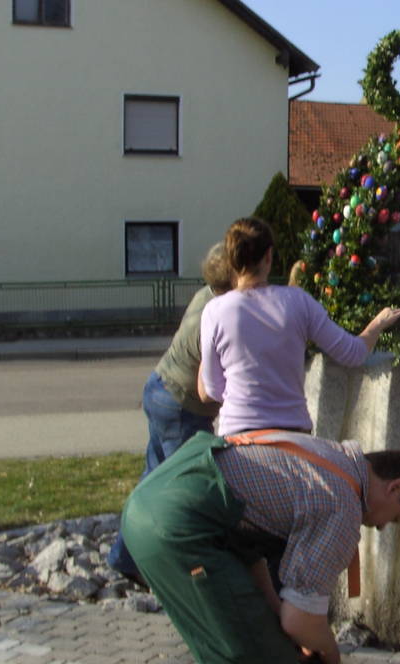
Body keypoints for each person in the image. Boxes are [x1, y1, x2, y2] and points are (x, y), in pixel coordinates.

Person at [121, 428, 400, 664]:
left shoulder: (327, 455)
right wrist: (330, 652)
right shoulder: (344, 508)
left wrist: (278, 614)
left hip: (150, 502)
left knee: (253, 640)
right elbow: (299, 620)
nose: (381, 526)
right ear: (396, 487)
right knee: (258, 655)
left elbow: (249, 548)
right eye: (395, 518)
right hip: (176, 526)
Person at [198, 217, 400, 436]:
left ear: (231, 259)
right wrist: (378, 323)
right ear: (269, 256)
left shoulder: (214, 311)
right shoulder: (298, 301)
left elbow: (212, 390)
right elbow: (353, 352)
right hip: (292, 433)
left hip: (237, 436)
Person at [107, 243, 233, 579]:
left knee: (152, 481)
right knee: (186, 492)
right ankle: (179, 571)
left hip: (159, 388)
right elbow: (214, 381)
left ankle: (125, 559)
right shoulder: (220, 314)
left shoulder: (206, 295)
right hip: (182, 406)